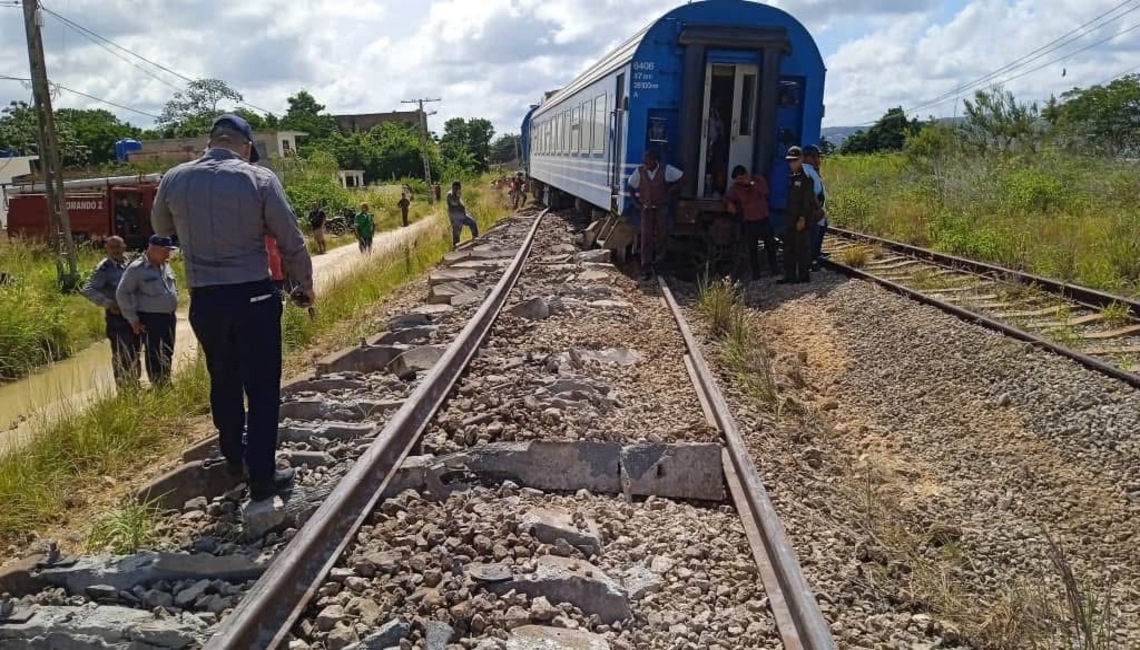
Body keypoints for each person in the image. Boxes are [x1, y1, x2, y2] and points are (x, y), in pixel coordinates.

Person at [151, 113, 314, 503]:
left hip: (205, 299)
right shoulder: (259, 179)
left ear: (210, 143)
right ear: (246, 146)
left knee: (222, 379)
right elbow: (290, 239)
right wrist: (304, 286)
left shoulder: (175, 178)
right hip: (253, 296)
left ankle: (234, 459)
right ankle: (262, 475)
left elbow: (160, 226)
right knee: (261, 387)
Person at [115, 235, 179, 387]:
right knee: (154, 353)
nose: (168, 254)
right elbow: (122, 293)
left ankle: (166, 380)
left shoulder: (165, 265)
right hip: (151, 318)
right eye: (165, 251)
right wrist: (133, 319)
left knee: (168, 350)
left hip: (169, 316)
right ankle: (158, 384)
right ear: (154, 249)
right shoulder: (136, 269)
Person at [80, 235, 141, 388]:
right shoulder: (104, 268)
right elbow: (87, 289)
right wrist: (108, 303)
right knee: (122, 353)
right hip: (117, 319)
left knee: (135, 351)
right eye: (111, 247)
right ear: (106, 249)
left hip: (135, 315)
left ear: (124, 247)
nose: (115, 250)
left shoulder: (130, 263)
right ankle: (124, 389)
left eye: (118, 246)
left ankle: (135, 384)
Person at [627, 150, 683, 280]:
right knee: (646, 238)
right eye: (644, 161)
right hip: (646, 210)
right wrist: (636, 203)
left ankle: (659, 263)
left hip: (661, 209)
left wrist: (671, 190)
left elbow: (682, 178)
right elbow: (630, 186)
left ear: (655, 161)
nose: (645, 163)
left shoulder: (666, 170)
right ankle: (645, 266)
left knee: (662, 236)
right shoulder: (640, 171)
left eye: (647, 161)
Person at [723, 165, 776, 280]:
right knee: (752, 248)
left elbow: (765, 192)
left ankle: (774, 268)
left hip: (763, 218)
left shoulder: (758, 180)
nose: (740, 181)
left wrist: (751, 183)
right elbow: (727, 196)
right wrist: (729, 203)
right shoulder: (736, 188)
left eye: (741, 178)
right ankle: (755, 273)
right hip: (750, 221)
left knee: (770, 244)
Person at [780, 146, 821, 285]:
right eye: (790, 161)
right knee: (789, 248)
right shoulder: (792, 177)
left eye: (795, 160)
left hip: (800, 220)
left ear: (801, 159)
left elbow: (807, 202)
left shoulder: (806, 179)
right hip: (791, 218)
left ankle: (803, 276)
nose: (792, 163)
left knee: (802, 249)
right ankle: (789, 276)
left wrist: (802, 219)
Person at [802, 144, 828, 268]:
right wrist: (818, 208)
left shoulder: (811, 169)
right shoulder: (805, 170)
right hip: (812, 209)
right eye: (815, 156)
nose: (818, 159)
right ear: (808, 157)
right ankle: (809, 261)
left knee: (820, 229)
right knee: (812, 235)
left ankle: (815, 254)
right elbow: (810, 192)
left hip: (816, 208)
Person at [446, 181, 480, 248]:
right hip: (455, 218)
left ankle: (475, 238)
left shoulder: (457, 193)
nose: (457, 189)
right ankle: (456, 248)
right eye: (456, 188)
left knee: (473, 223)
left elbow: (461, 204)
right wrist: (458, 197)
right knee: (456, 234)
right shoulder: (450, 195)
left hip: (462, 215)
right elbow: (456, 204)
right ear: (453, 187)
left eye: (458, 188)